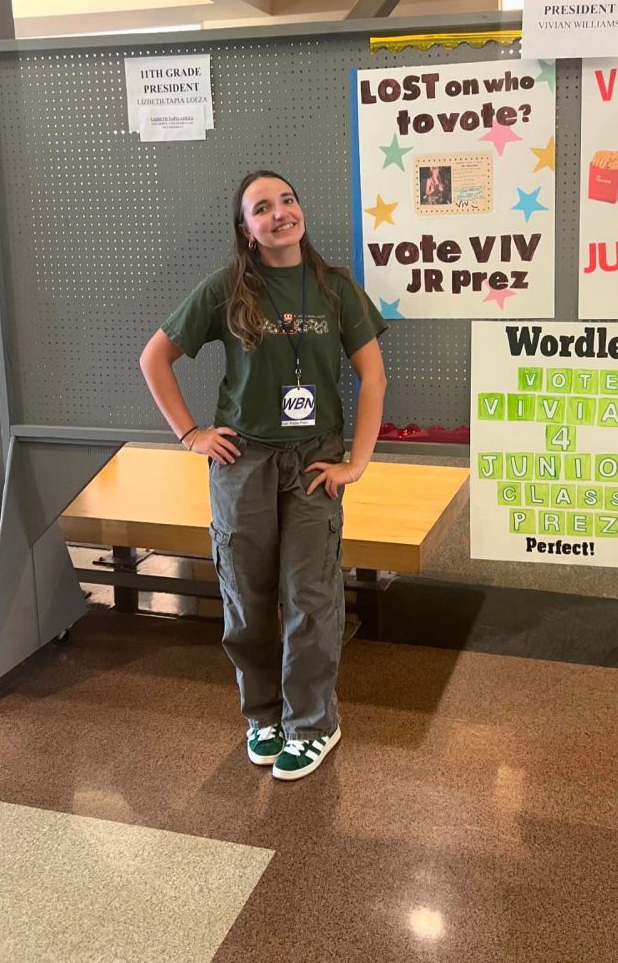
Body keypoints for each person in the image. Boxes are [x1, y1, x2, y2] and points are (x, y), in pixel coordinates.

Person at [140, 170, 387, 780]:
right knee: (246, 600)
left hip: (312, 464)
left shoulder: (335, 289)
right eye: (263, 208)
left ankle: (313, 724)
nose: (281, 213)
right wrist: (191, 433)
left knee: (311, 596)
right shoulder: (225, 288)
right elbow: (155, 358)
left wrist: (357, 462)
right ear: (245, 230)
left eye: (288, 200)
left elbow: (374, 378)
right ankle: (264, 716)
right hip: (241, 461)